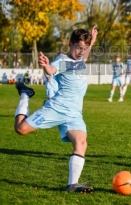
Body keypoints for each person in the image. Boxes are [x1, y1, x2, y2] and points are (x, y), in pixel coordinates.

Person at [13, 25, 98, 193]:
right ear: (71, 44)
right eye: (79, 47)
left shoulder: (79, 60)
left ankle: (72, 184)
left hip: (74, 114)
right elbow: (52, 69)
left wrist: (92, 40)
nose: (82, 52)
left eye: (84, 48)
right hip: (57, 108)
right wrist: (46, 66)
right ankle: (25, 94)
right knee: (20, 129)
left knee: (81, 143)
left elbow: (85, 55)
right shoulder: (63, 61)